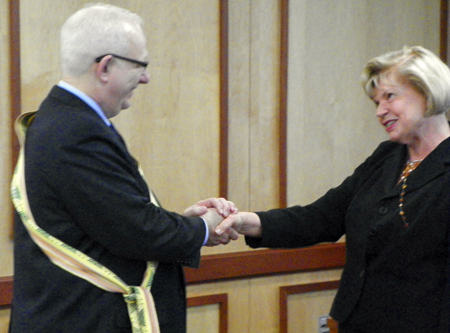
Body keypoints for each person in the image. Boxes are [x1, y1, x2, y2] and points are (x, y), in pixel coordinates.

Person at [9, 3, 237, 333]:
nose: (146, 77)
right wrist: (205, 227)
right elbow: (138, 230)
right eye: (140, 65)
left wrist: (183, 224)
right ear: (105, 67)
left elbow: (110, 222)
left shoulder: (65, 121)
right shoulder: (76, 131)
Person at [216, 46, 450, 332]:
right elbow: (322, 217)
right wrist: (247, 222)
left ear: (427, 92)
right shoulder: (386, 157)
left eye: (390, 96)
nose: (379, 111)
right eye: (376, 101)